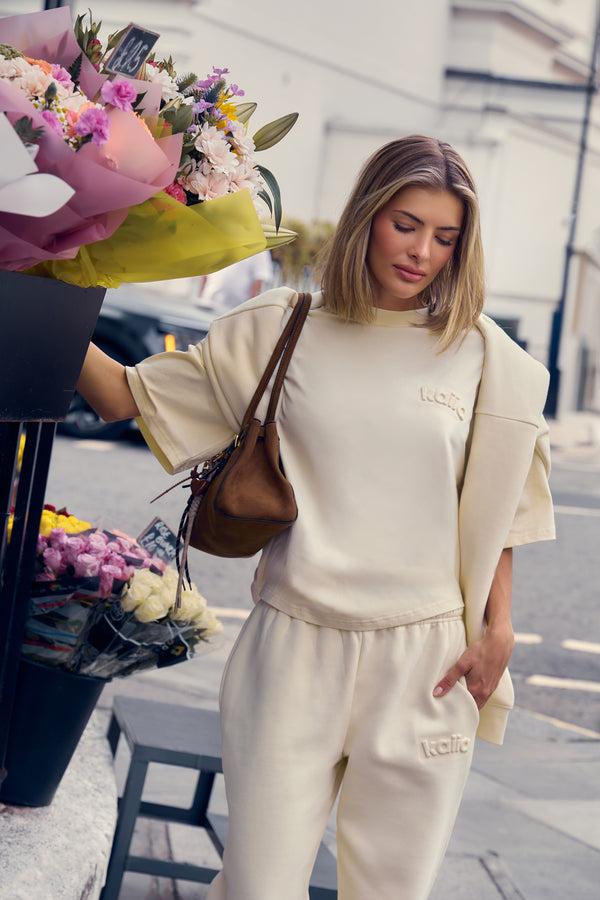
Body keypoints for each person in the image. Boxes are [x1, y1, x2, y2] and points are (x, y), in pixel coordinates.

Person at [76, 135, 556, 899]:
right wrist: (43, 273)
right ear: (367, 215)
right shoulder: (280, 327)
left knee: (391, 889)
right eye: (406, 224)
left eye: (446, 236)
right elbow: (123, 396)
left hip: (425, 662)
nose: (422, 252)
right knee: (256, 887)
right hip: (291, 647)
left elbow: (508, 511)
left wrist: (498, 631)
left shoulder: (490, 360)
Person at [199, 248, 274, 315]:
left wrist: (246, 312)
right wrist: (201, 296)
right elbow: (206, 270)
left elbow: (258, 281)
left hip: (234, 311)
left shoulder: (260, 250)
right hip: (207, 304)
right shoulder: (220, 240)